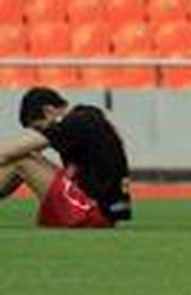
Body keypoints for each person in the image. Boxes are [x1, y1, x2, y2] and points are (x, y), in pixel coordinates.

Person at [0, 87, 132, 229]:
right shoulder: (88, 117)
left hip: (90, 211)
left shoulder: (73, 124)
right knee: (26, 156)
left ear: (48, 111)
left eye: (39, 128)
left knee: (22, 159)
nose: (42, 132)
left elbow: (8, 152)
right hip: (104, 210)